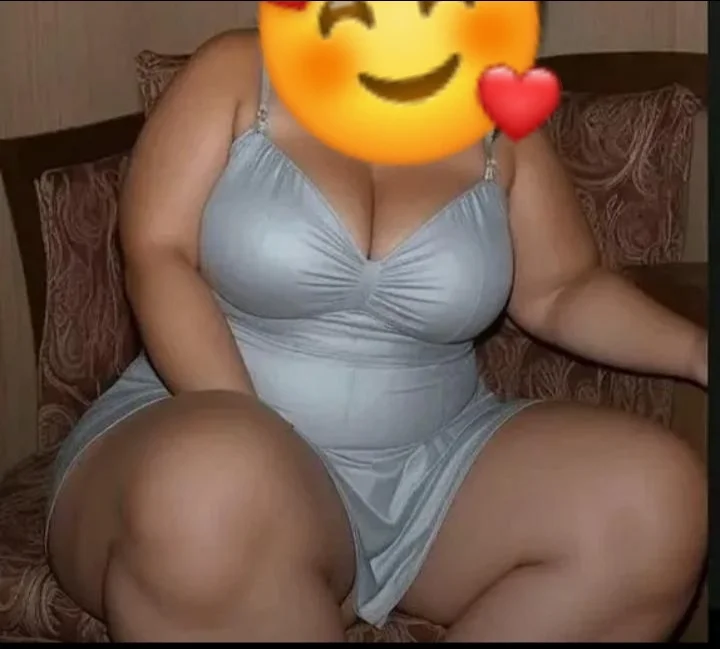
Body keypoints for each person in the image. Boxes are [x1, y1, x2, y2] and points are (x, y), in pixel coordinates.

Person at [46, 30, 707, 642]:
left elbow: (563, 289)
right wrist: (272, 459)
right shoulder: (238, 71)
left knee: (656, 499)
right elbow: (157, 254)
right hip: (205, 433)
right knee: (211, 489)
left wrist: (698, 351)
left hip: (432, 469)